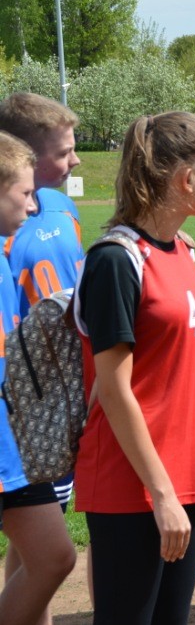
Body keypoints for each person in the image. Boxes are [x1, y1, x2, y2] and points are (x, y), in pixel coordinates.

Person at [74, 111, 195, 625]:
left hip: (186, 479)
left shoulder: (183, 250)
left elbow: (189, 380)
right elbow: (115, 391)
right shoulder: (116, 260)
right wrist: (161, 493)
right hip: (133, 486)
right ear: (186, 178)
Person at [0, 91, 85, 526]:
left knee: (48, 530)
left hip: (73, 381)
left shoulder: (63, 206)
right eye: (64, 152)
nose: (76, 161)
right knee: (46, 528)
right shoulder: (6, 226)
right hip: (31, 394)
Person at [0, 130, 75, 625]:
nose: (33, 206)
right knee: (52, 557)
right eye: (24, 193)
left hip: (12, 441)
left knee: (51, 556)